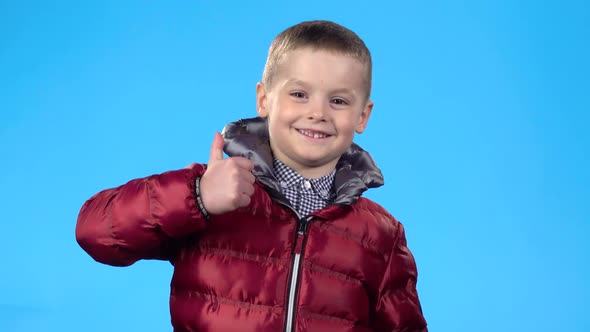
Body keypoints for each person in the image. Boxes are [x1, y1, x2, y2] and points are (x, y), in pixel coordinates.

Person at [76, 20, 428, 331]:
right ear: (264, 99)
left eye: (338, 100)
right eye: (299, 94)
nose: (318, 112)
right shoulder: (209, 193)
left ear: (363, 116)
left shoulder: (381, 234)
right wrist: (198, 197)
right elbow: (95, 232)